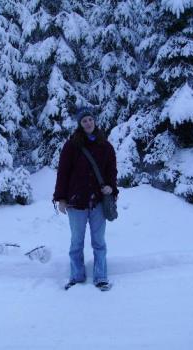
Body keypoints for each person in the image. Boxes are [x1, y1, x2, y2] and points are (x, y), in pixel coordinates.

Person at [53, 107, 118, 291]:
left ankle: (101, 277)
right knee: (76, 242)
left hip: (98, 202)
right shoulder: (71, 145)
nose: (88, 123)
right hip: (76, 202)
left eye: (90, 119)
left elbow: (111, 171)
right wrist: (61, 198)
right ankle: (77, 276)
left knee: (99, 242)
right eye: (84, 121)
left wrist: (111, 187)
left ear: (94, 121)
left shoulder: (106, 146)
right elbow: (63, 173)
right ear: (80, 124)